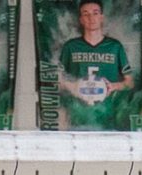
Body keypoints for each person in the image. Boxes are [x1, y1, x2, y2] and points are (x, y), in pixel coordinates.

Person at [57, 0, 135, 128]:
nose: (91, 18)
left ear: (101, 17)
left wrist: (114, 86)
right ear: (81, 19)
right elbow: (57, 80)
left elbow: (130, 83)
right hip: (77, 116)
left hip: (108, 116)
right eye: (86, 14)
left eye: (95, 13)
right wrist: (72, 86)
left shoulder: (115, 46)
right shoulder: (70, 46)